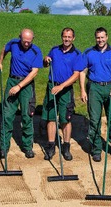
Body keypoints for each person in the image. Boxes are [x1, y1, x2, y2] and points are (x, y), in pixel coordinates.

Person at [74, 27, 111, 162]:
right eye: (98, 37)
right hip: (94, 88)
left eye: (102, 37)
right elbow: (83, 72)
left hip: (110, 87)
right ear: (95, 38)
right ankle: (96, 149)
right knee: (95, 120)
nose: (100, 40)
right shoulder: (89, 52)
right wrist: (83, 90)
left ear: (106, 37)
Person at [0, 28, 43, 159]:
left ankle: (27, 147)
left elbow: (34, 72)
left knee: (27, 116)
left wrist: (19, 86)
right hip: (12, 80)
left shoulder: (36, 51)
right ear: (19, 37)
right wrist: (0, 62)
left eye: (29, 41)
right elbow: (5, 49)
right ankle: (4, 147)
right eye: (24, 41)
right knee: (7, 116)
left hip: (26, 85)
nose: (26, 44)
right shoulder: (14, 43)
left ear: (33, 39)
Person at [42, 27, 81, 161]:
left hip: (65, 89)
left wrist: (61, 86)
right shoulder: (54, 50)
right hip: (52, 86)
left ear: (73, 38)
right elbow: (45, 64)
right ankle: (51, 146)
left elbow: (76, 75)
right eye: (65, 36)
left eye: (69, 37)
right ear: (62, 37)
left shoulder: (77, 54)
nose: (67, 39)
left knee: (66, 119)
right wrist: (46, 60)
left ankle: (66, 147)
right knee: (51, 117)